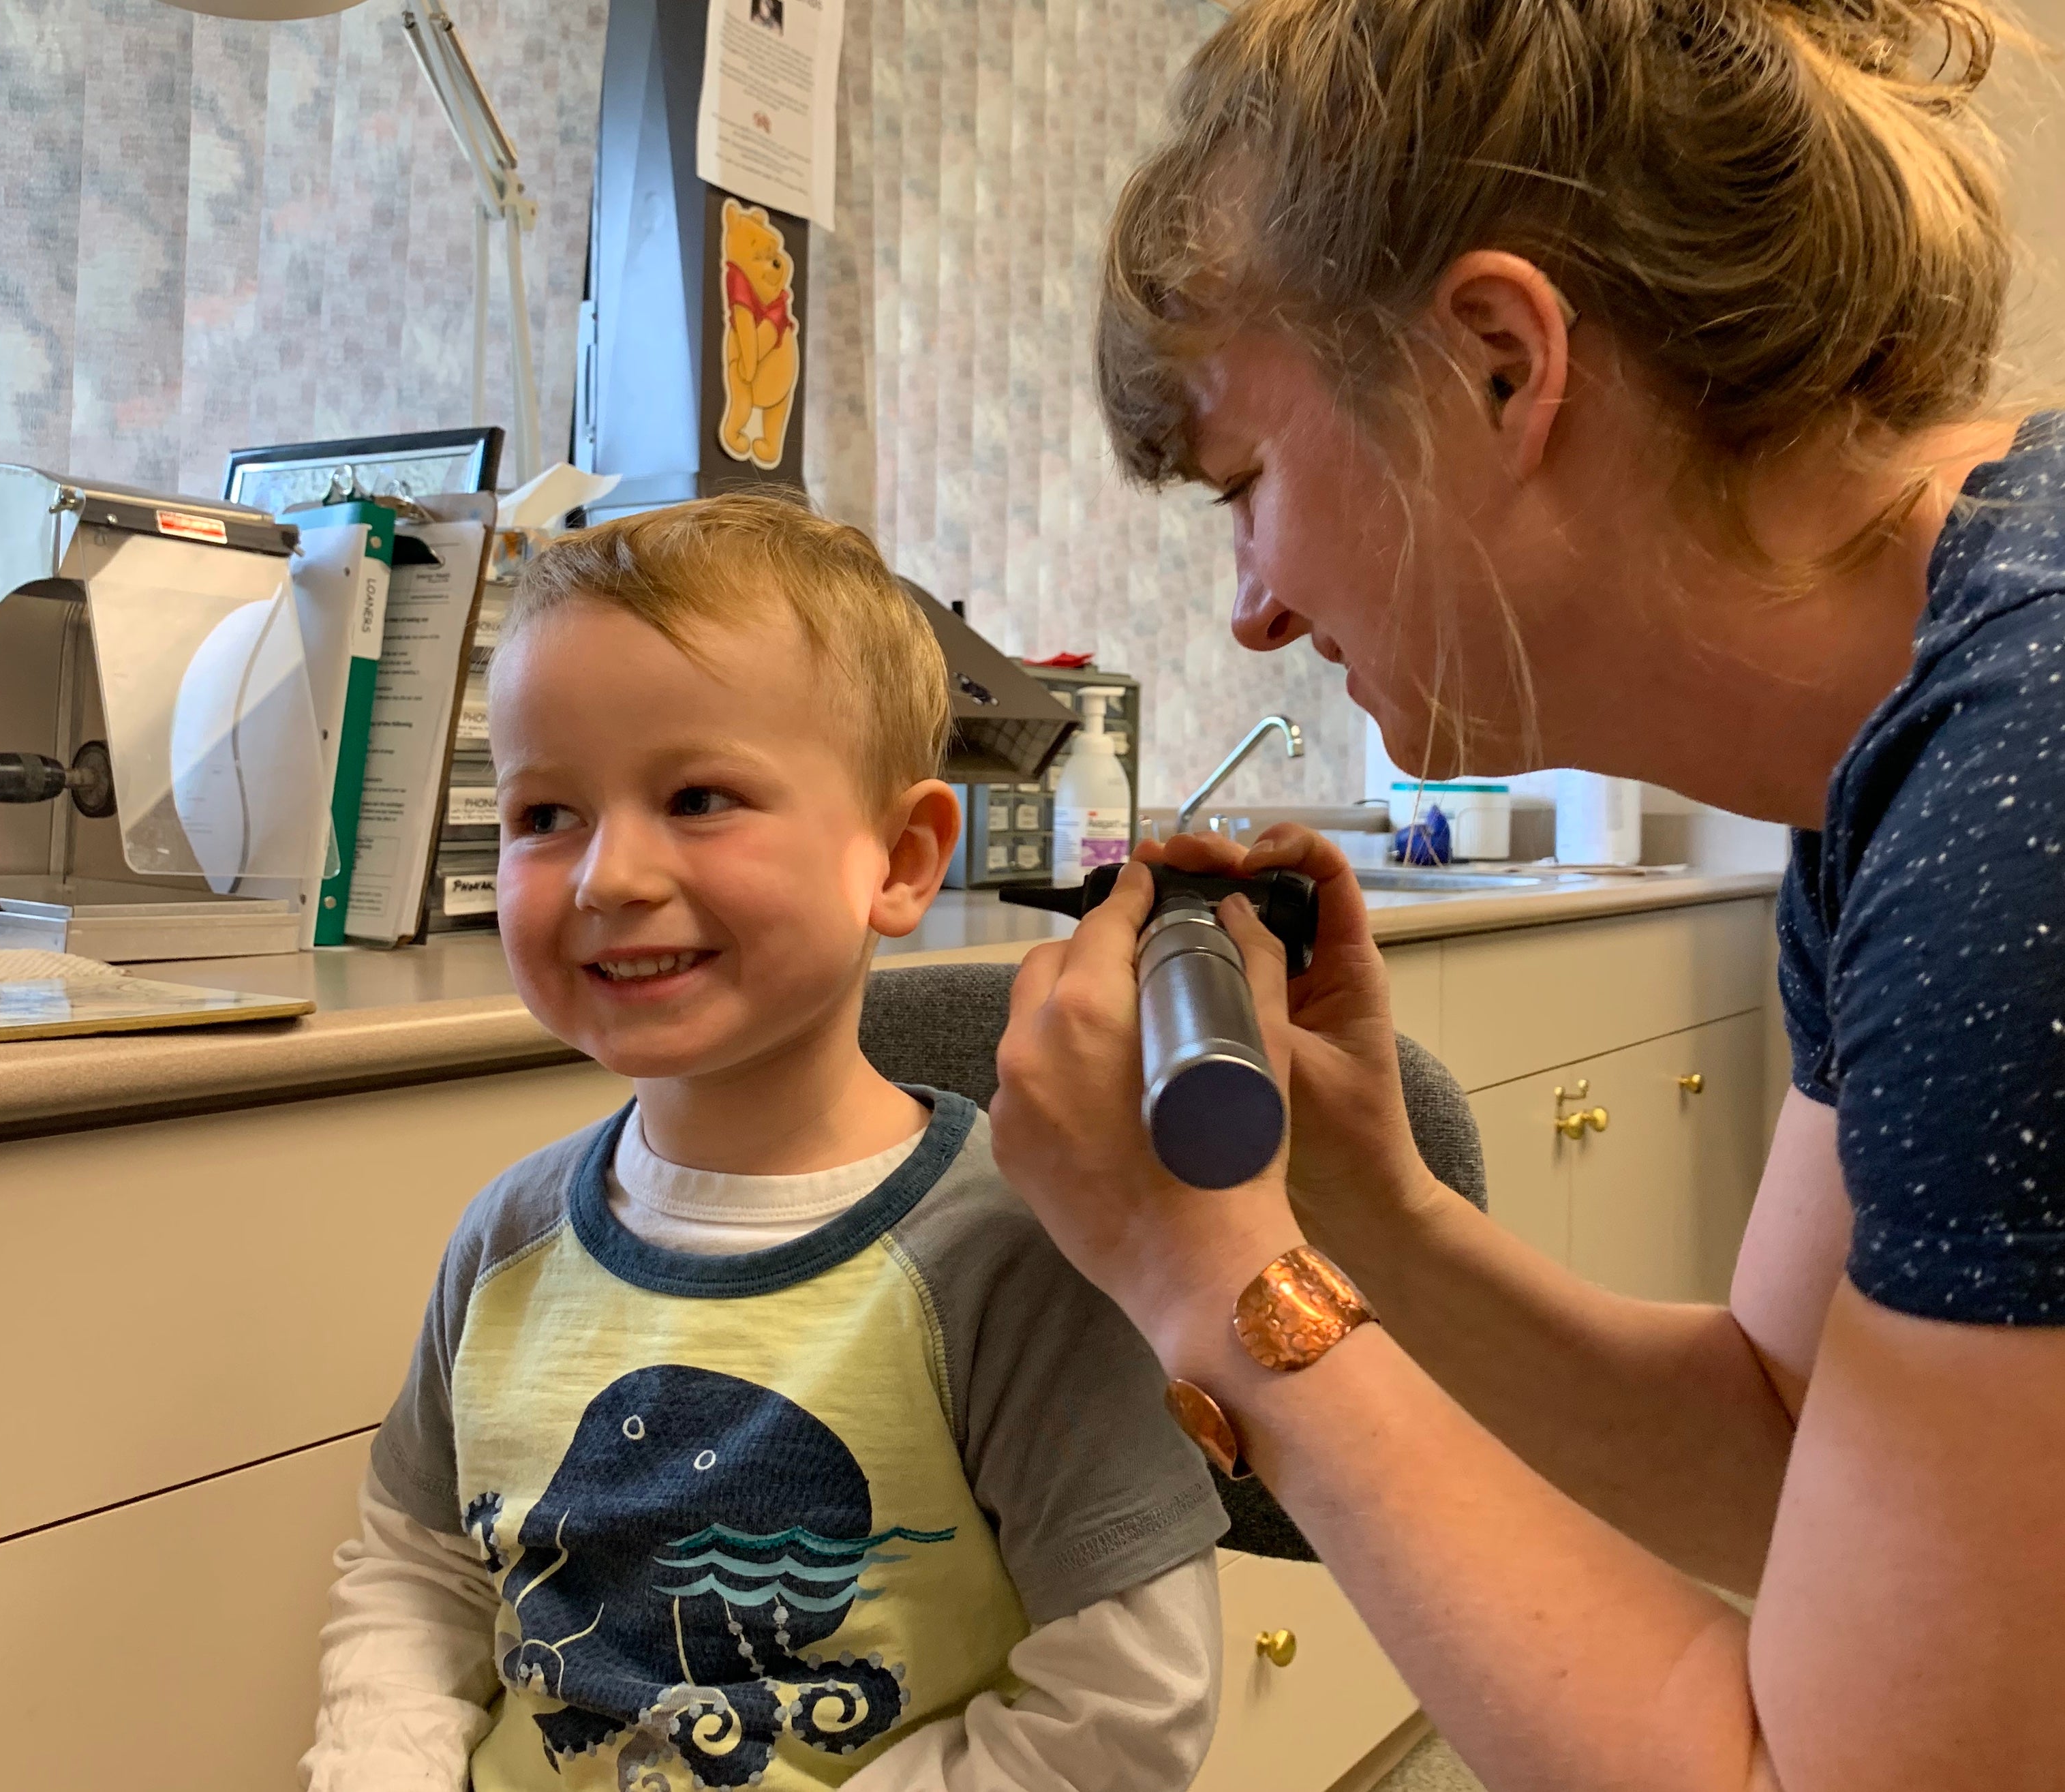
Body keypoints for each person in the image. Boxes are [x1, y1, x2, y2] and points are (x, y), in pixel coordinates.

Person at [986, 0, 2065, 1787]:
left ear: (1498, 360)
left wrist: (1230, 1287)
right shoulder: (1906, 749)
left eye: (1246, 484)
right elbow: (1792, 1444)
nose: (1246, 605)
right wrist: (1364, 1209)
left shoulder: (2019, 791)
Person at [301, 494, 1228, 1792]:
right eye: (543, 816)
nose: (606, 877)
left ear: (900, 859)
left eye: (698, 796)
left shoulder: (1012, 1262)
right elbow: (420, 1567)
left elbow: (1123, 1711)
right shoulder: (503, 1242)